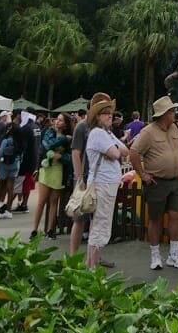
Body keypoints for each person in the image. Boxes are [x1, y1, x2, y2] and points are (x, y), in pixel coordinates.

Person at [129, 95, 178, 271]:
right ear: (164, 114)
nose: (175, 113)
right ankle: (155, 255)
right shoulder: (148, 132)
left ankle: (174, 254)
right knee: (155, 219)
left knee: (176, 216)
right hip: (156, 182)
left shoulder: (175, 129)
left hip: (175, 181)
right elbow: (133, 152)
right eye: (172, 111)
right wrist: (142, 174)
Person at [84, 96, 129, 269]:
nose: (109, 116)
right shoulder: (98, 133)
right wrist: (116, 149)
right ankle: (92, 268)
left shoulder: (108, 133)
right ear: (97, 117)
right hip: (102, 185)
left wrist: (116, 148)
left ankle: (90, 265)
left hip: (107, 184)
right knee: (101, 227)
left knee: (99, 225)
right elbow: (117, 154)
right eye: (104, 113)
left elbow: (124, 150)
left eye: (110, 113)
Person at [69, 93, 113, 259]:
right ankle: (73, 256)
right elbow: (75, 153)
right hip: (86, 179)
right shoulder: (82, 126)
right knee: (80, 218)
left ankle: (94, 255)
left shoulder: (106, 128)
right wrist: (79, 178)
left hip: (101, 179)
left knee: (98, 220)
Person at [30, 112, 72, 240]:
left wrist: (61, 156)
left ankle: (50, 229)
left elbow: (70, 156)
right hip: (46, 169)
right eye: (56, 119)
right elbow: (46, 145)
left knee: (54, 201)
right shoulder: (49, 132)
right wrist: (64, 139)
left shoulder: (69, 136)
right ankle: (35, 229)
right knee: (41, 200)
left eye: (60, 120)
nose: (56, 122)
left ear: (65, 124)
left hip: (58, 169)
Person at [0, 110, 23, 218]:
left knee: (0, 187)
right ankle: (8, 210)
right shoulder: (19, 141)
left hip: (4, 164)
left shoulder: (6, 140)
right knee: (11, 186)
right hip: (15, 163)